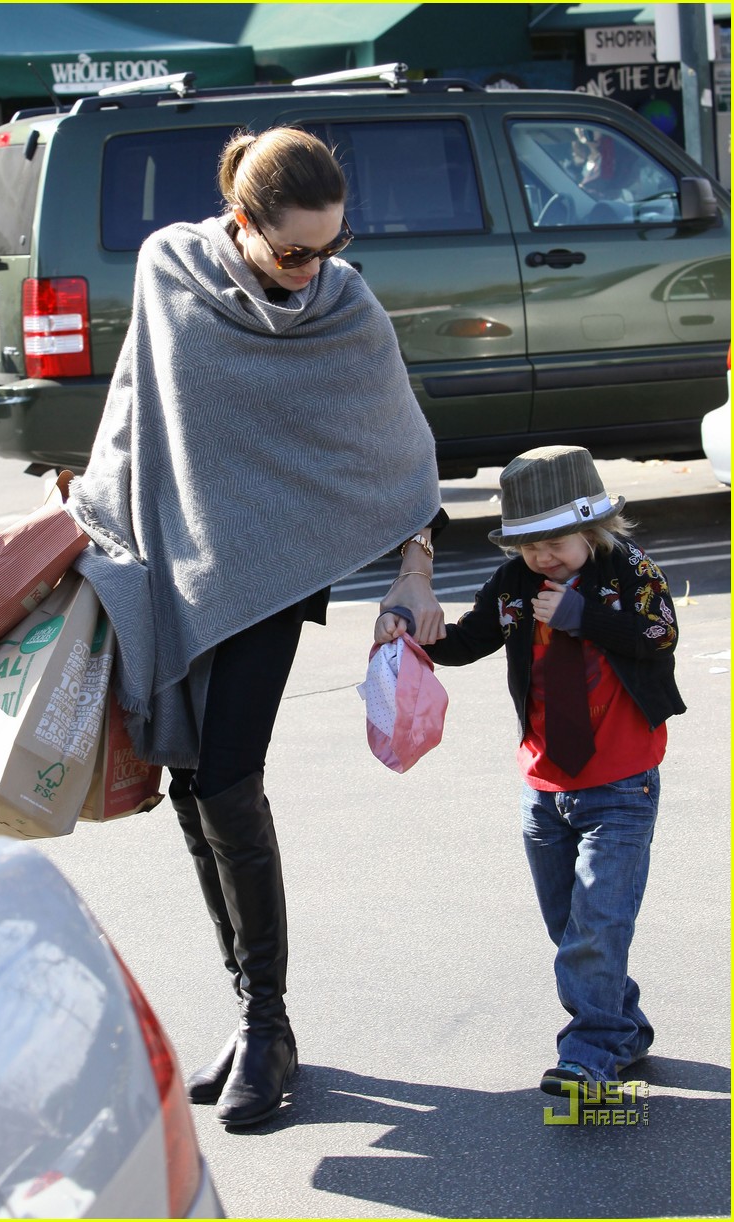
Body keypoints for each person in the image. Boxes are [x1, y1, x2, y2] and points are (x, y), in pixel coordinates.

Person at [67, 127, 446, 1127]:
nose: (314, 268)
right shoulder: (168, 271)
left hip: (270, 577)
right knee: (190, 784)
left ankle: (269, 1018)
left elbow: (396, 447)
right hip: (173, 564)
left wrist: (413, 570)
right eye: (293, 251)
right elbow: (136, 416)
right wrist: (97, 524)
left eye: (332, 245)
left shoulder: (344, 303)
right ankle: (251, 1010)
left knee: (228, 777)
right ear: (241, 223)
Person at [375, 445, 685, 1096]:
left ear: (595, 526)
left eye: (555, 540)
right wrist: (412, 630)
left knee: (595, 927)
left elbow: (658, 632)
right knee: (569, 927)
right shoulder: (515, 585)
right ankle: (621, 1028)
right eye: (527, 543)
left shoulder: (624, 570)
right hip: (544, 787)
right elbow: (468, 641)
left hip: (620, 783)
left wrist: (583, 616)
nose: (541, 556)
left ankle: (590, 1054)